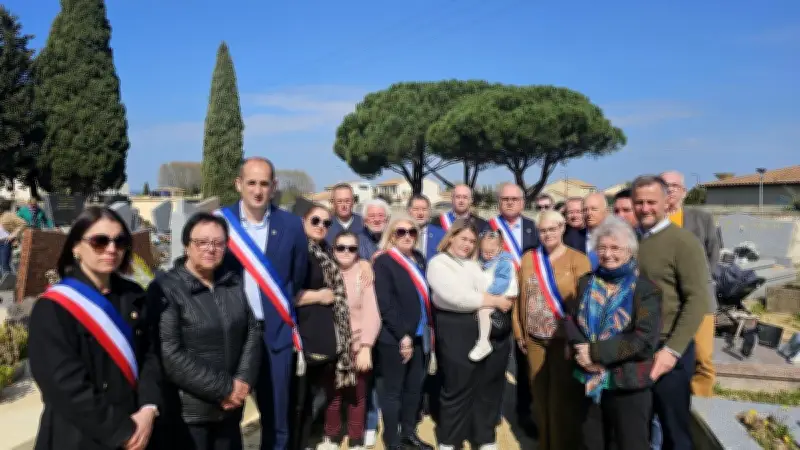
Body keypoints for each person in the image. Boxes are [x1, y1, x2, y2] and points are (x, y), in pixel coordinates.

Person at [28, 206, 162, 450]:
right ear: (76, 247)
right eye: (100, 241)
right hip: (81, 436)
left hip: (139, 428)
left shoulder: (134, 296)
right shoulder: (53, 308)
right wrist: (121, 431)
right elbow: (63, 385)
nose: (111, 249)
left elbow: (151, 357)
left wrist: (148, 408)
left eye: (119, 241)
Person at [148, 212, 262, 450]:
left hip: (230, 410)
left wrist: (243, 381)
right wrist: (225, 388)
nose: (210, 249)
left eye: (218, 243)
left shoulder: (232, 283)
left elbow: (252, 330)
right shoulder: (166, 288)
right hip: (190, 415)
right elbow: (170, 353)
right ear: (187, 246)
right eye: (202, 242)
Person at [217, 157, 308, 450]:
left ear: (274, 187)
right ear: (239, 184)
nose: (257, 190)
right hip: (232, 333)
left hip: (275, 333)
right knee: (228, 414)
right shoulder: (219, 223)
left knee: (277, 416)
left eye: (264, 183)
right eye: (251, 183)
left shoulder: (292, 225)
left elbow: (297, 275)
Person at [565, 216, 662, 450]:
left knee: (630, 444)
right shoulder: (586, 283)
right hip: (589, 380)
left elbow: (643, 340)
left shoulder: (645, 290)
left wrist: (595, 353)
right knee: (592, 443)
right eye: (602, 247)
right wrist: (582, 353)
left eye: (615, 248)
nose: (608, 254)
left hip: (627, 383)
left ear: (630, 251)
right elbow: (570, 319)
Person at [632, 175, 709, 450]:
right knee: (640, 427)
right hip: (636, 350)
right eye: (639, 202)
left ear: (667, 202)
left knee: (674, 431)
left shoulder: (683, 242)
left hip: (668, 352)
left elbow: (697, 299)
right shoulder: (632, 241)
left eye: (651, 202)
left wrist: (672, 351)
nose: (645, 208)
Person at [426, 219, 514, 450]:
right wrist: (493, 300)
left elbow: (485, 286)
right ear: (451, 237)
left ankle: (483, 436)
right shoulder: (439, 263)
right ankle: (449, 440)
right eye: (463, 238)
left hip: (479, 328)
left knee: (485, 387)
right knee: (457, 387)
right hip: (454, 328)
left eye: (472, 241)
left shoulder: (473, 263)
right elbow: (456, 297)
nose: (467, 244)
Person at [512, 210, 591, 450]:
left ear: (562, 228)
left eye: (552, 229)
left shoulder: (578, 260)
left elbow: (586, 304)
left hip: (563, 343)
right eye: (543, 230)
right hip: (535, 340)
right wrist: (519, 333)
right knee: (540, 397)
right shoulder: (528, 259)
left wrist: (577, 340)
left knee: (564, 400)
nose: (547, 234)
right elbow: (518, 299)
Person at [292, 205, 357, 450]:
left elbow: (352, 261)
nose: (321, 226)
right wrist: (318, 296)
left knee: (314, 402)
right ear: (303, 222)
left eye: (326, 223)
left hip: (328, 341)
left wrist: (365, 265)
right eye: (315, 220)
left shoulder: (325, 252)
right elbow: (286, 294)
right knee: (301, 404)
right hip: (306, 340)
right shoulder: (299, 252)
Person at [373, 216, 434, 450]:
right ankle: (392, 440)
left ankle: (409, 432)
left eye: (412, 232)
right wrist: (403, 335)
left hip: (420, 336)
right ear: (391, 235)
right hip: (395, 338)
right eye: (401, 232)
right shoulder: (384, 262)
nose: (407, 236)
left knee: (414, 389)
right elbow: (385, 304)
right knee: (393, 392)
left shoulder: (418, 259)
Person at [661, 170, 719, 398]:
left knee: (703, 357)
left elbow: (713, 257)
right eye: (665, 186)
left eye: (675, 186)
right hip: (667, 302)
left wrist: (698, 286)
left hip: (699, 299)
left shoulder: (701, 219)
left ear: (684, 192)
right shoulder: (652, 220)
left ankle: (700, 410)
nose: (670, 190)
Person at [320, 231, 381, 450]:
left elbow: (371, 312)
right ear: (333, 249)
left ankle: (356, 438)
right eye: (341, 248)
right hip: (331, 346)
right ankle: (333, 436)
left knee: (357, 397)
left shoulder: (362, 275)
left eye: (352, 248)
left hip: (356, 346)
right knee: (333, 396)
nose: (346, 252)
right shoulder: (325, 272)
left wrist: (366, 346)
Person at [470, 230, 518, 362]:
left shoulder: (504, 262)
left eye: (492, 251)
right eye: (485, 251)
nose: (488, 254)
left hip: (501, 295)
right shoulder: (484, 261)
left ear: (500, 248)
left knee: (484, 312)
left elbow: (501, 283)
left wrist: (488, 294)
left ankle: (483, 342)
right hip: (491, 295)